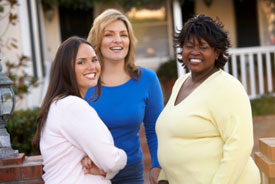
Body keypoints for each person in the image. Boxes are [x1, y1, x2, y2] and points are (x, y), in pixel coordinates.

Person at [156, 14, 261, 184]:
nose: (194, 52)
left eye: (203, 47)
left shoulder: (227, 87)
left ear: (217, 52)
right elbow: (171, 134)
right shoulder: (181, 82)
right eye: (189, 46)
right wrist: (164, 176)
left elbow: (239, 146)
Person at [84, 9, 164, 184]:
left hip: (131, 171)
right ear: (97, 41)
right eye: (109, 34)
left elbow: (155, 130)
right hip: (90, 172)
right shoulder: (83, 81)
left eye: (123, 34)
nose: (118, 40)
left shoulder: (147, 80)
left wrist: (157, 166)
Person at [32, 36, 127, 184]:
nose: (91, 67)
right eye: (81, 62)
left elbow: (104, 161)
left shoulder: (59, 104)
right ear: (66, 69)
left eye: (94, 60)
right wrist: (122, 156)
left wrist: (102, 165)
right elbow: (111, 160)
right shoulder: (72, 106)